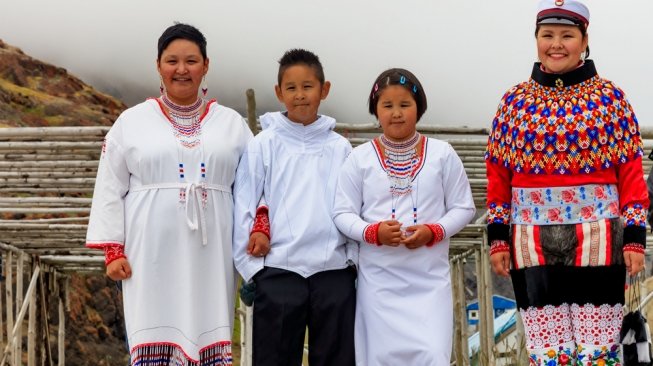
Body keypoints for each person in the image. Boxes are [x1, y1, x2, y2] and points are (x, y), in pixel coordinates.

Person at [485, 1, 649, 364]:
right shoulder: (513, 103)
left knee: (598, 353)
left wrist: (635, 238)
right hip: (531, 242)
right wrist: (497, 237)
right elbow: (498, 172)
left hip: (599, 239)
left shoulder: (611, 99)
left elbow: (631, 172)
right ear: (536, 40)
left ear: (584, 39)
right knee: (547, 354)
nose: (556, 44)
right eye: (547, 35)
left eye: (567, 35)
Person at [85, 23, 252, 365]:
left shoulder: (232, 124)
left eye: (191, 61)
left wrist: (254, 239)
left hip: (213, 252)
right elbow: (110, 186)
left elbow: (253, 187)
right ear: (158, 65)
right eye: (172, 60)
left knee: (210, 323)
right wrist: (113, 249)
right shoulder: (131, 122)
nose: (181, 69)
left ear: (206, 65)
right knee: (153, 327)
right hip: (149, 253)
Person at [332, 68, 476, 364]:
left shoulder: (442, 154)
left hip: (429, 282)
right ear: (376, 111)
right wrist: (374, 232)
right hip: (379, 285)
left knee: (432, 355)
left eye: (404, 105)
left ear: (419, 108)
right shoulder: (359, 158)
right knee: (380, 357)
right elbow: (342, 213)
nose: (396, 113)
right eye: (387, 106)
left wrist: (433, 231)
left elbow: (464, 207)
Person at [232, 49, 356, 366]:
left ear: (324, 89)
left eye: (308, 86)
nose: (300, 96)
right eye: (291, 88)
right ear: (279, 92)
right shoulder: (264, 144)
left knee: (336, 359)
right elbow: (244, 205)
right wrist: (252, 271)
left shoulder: (339, 148)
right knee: (274, 359)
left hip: (333, 273)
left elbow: (354, 207)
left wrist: (353, 264)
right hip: (278, 272)